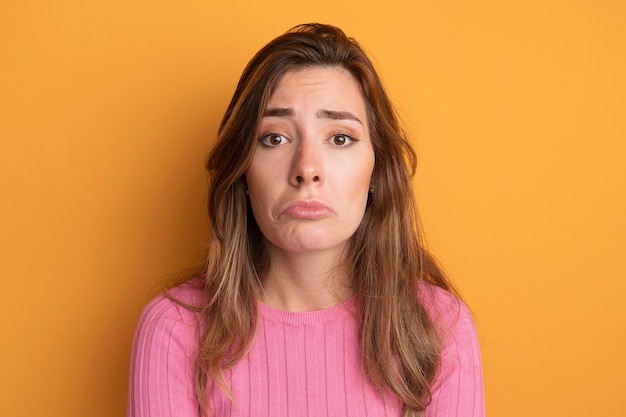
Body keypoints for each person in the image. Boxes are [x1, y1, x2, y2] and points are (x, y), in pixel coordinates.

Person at [127, 23, 485, 417]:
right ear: (242, 170)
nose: (307, 169)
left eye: (340, 138)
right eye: (275, 138)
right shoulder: (176, 330)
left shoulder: (439, 328)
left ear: (376, 171)